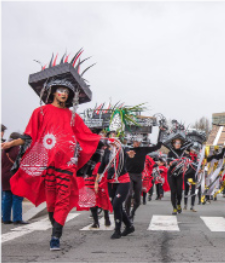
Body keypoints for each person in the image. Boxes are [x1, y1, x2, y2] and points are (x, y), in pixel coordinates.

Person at [3, 51, 104, 251]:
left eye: (66, 91)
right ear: (52, 91)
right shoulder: (39, 112)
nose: (64, 93)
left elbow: (88, 136)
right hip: (46, 164)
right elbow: (29, 135)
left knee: (64, 200)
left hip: (67, 164)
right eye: (60, 89)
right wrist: (10, 144)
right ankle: (54, 226)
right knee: (51, 201)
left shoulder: (73, 116)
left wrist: (108, 140)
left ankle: (55, 236)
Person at [96, 135, 134, 239]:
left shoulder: (122, 149)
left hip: (123, 180)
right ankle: (129, 226)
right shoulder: (107, 153)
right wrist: (96, 181)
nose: (113, 142)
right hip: (110, 181)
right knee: (115, 205)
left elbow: (129, 153)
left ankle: (117, 230)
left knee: (117, 203)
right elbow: (102, 166)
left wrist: (130, 154)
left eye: (115, 140)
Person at [124, 135, 162, 222]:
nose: (136, 143)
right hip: (129, 175)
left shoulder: (143, 150)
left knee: (138, 200)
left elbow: (158, 146)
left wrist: (161, 132)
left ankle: (132, 213)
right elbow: (123, 148)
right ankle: (127, 214)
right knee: (129, 195)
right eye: (135, 141)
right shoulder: (127, 149)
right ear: (132, 142)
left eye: (138, 142)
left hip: (138, 176)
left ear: (141, 142)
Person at [2, 132, 29, 224]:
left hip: (4, 175)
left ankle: (5, 219)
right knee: (17, 196)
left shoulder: (4, 148)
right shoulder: (17, 149)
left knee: (7, 197)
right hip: (14, 174)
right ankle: (17, 218)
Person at [167, 137, 190, 215]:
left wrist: (186, 161)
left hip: (180, 175)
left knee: (179, 192)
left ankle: (179, 204)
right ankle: (174, 208)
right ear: (173, 144)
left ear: (181, 144)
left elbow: (188, 160)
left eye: (179, 143)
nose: (177, 144)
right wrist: (173, 162)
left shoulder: (184, 153)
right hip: (171, 174)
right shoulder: (170, 152)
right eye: (176, 143)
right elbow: (169, 163)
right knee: (173, 191)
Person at [183, 147, 199, 212]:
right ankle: (185, 205)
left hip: (193, 176)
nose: (193, 150)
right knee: (186, 190)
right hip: (187, 175)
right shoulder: (186, 156)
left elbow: (198, 166)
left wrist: (200, 169)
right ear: (189, 150)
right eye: (192, 149)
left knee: (193, 191)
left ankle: (192, 206)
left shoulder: (197, 157)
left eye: (194, 149)